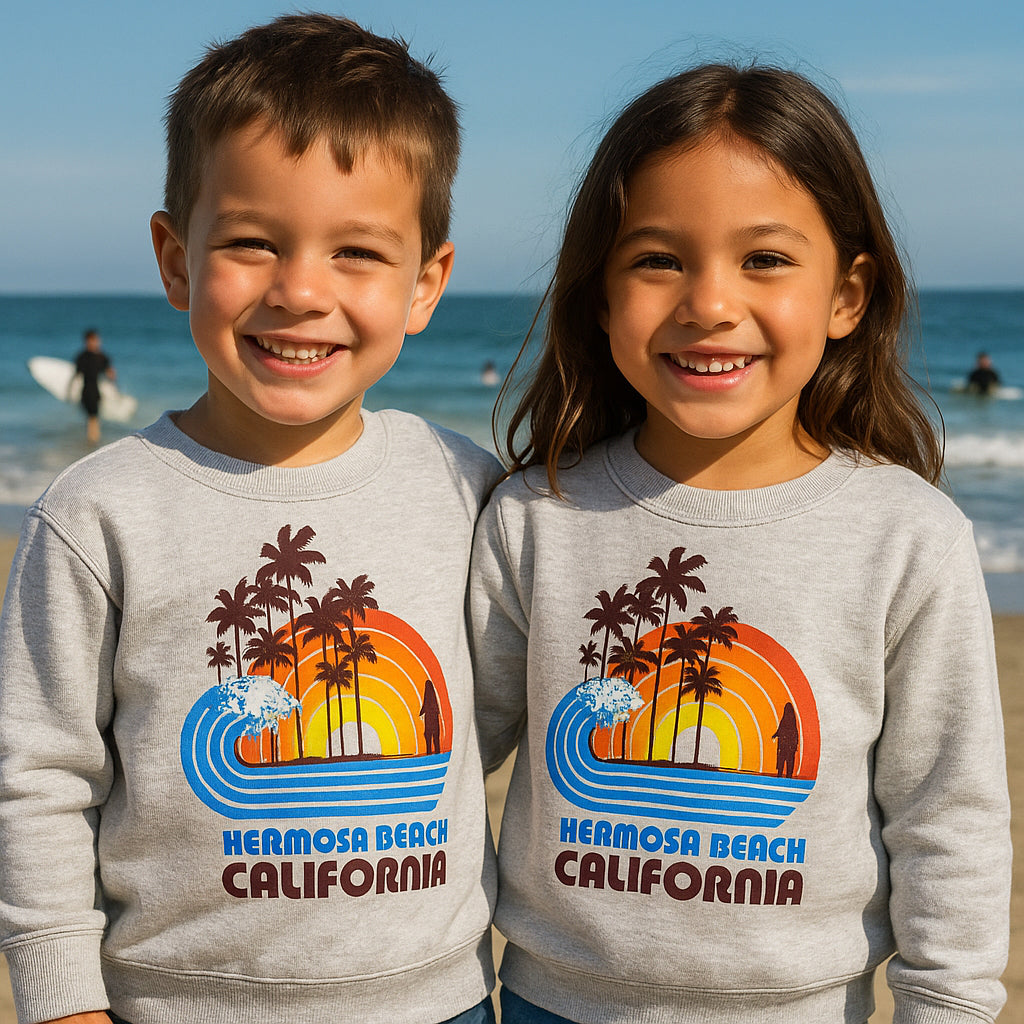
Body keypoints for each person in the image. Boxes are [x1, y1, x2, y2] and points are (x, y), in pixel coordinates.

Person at [470, 64, 1010, 1023]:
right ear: (599, 295)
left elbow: (947, 817)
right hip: (553, 1004)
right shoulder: (536, 519)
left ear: (846, 295)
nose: (709, 303)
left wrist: (951, 1006)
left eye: (764, 259)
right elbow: (443, 764)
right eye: (658, 260)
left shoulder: (905, 536)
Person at [0, 15, 501, 1024]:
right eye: (251, 243)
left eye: (357, 251)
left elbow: (496, 705)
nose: (300, 290)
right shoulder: (99, 513)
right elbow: (37, 774)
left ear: (426, 284)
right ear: (176, 258)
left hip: (438, 1001)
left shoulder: (468, 487)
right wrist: (60, 998)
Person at [73, 327, 116, 442]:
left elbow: (110, 374)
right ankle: (93, 441)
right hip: (85, 391)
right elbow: (76, 376)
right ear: (86, 341)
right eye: (91, 340)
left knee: (93, 418)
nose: (94, 342)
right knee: (92, 418)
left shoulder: (102, 357)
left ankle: (92, 441)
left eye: (96, 340)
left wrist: (114, 389)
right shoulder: (82, 357)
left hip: (95, 391)